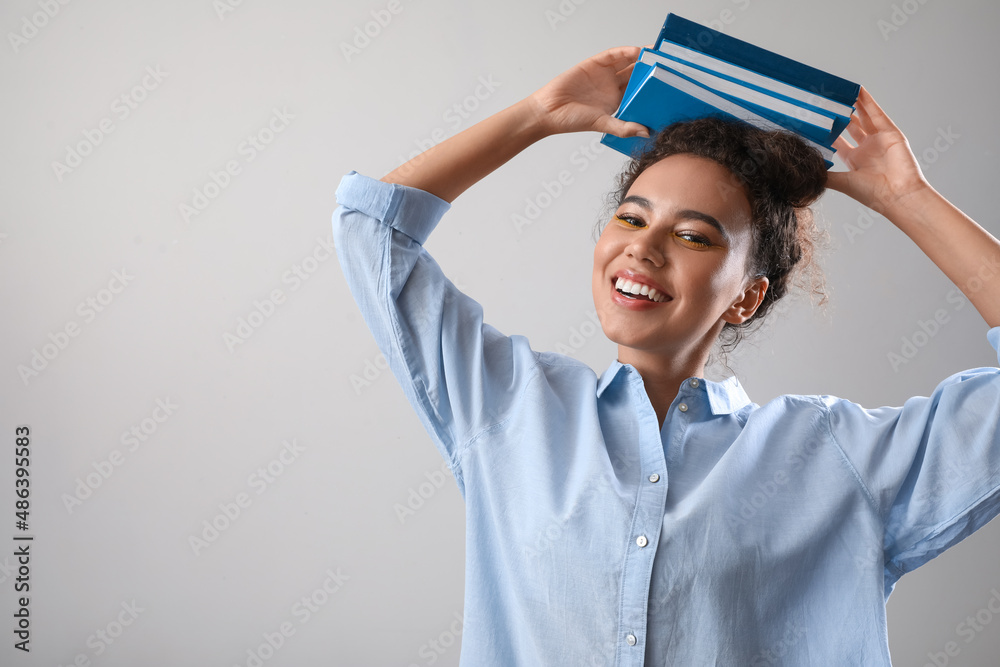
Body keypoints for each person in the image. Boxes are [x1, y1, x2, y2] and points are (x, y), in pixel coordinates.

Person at [332, 46, 1000, 665]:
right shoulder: (509, 407)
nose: (643, 249)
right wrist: (535, 117)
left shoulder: (834, 457)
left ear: (746, 296)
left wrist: (908, 200)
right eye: (631, 216)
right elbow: (371, 229)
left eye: (693, 235)